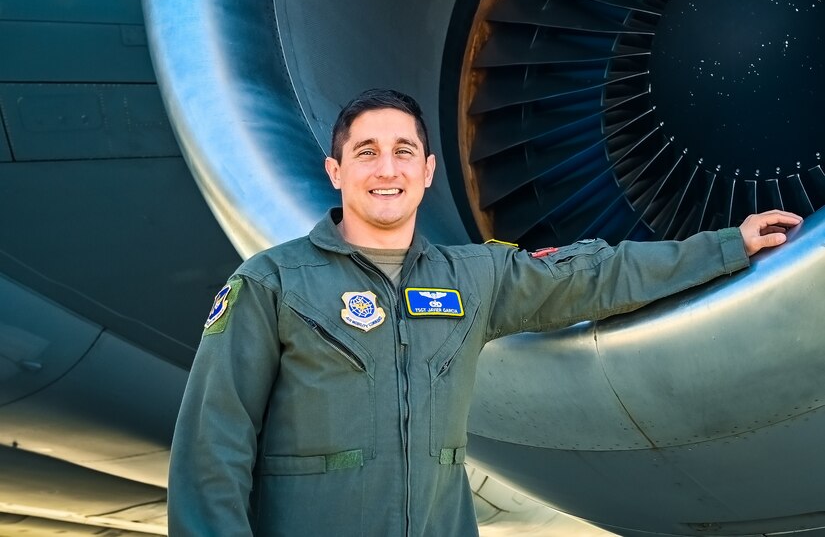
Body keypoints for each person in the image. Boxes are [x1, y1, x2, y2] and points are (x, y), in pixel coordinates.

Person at [167, 88, 802, 537]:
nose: (386, 170)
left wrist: (724, 245)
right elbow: (211, 448)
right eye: (365, 153)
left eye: (403, 151)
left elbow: (593, 275)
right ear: (335, 171)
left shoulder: (471, 276)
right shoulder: (272, 282)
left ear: (427, 170)